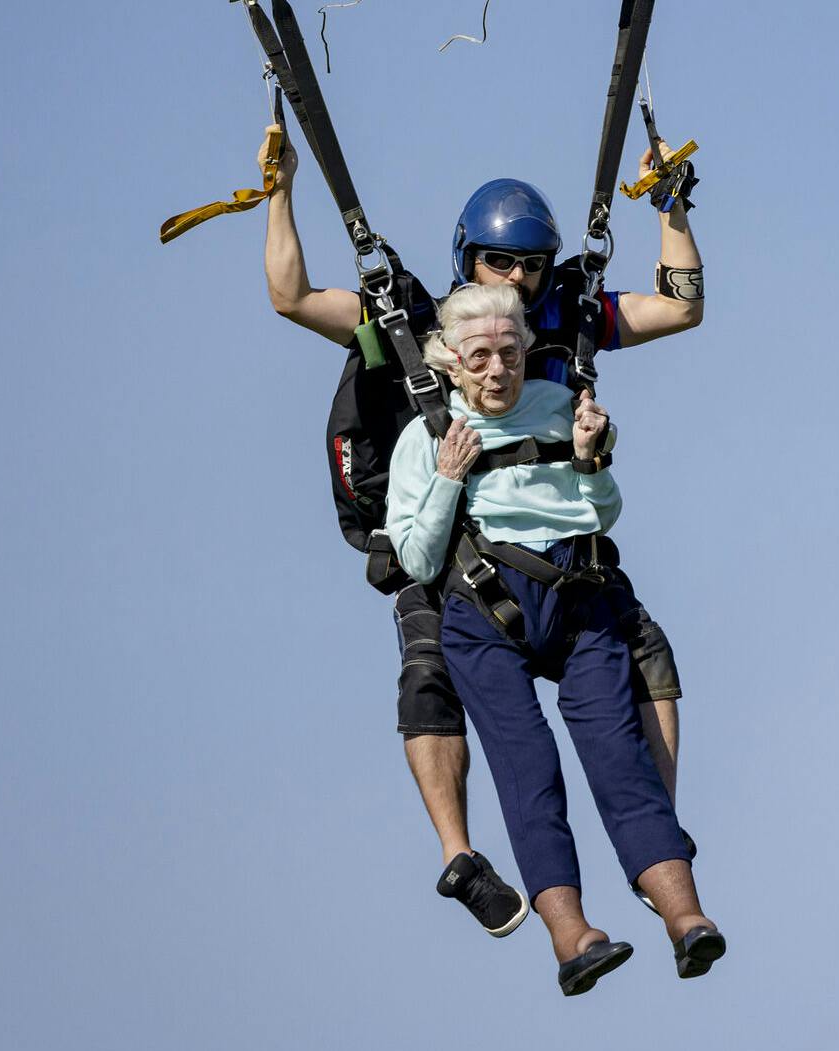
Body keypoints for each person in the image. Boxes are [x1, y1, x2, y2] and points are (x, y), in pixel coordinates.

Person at [259, 127, 707, 933]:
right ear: (469, 258)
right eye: (502, 262)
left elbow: (679, 306)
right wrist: (281, 193)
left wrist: (671, 210)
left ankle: (654, 834)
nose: (520, 278)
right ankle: (459, 855)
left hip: (556, 545)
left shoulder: (564, 322)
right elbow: (293, 297)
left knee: (647, 650)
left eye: (532, 264)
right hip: (448, 543)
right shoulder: (421, 325)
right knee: (429, 673)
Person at [385, 284, 724, 995]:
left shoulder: (559, 406)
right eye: (480, 357)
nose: (497, 370)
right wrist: (448, 478)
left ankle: (686, 918)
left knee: (620, 755)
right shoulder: (423, 437)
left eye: (509, 353)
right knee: (528, 768)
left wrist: (590, 459)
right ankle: (573, 938)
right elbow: (415, 562)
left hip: (577, 602)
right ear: (450, 361)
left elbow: (603, 511)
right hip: (485, 615)